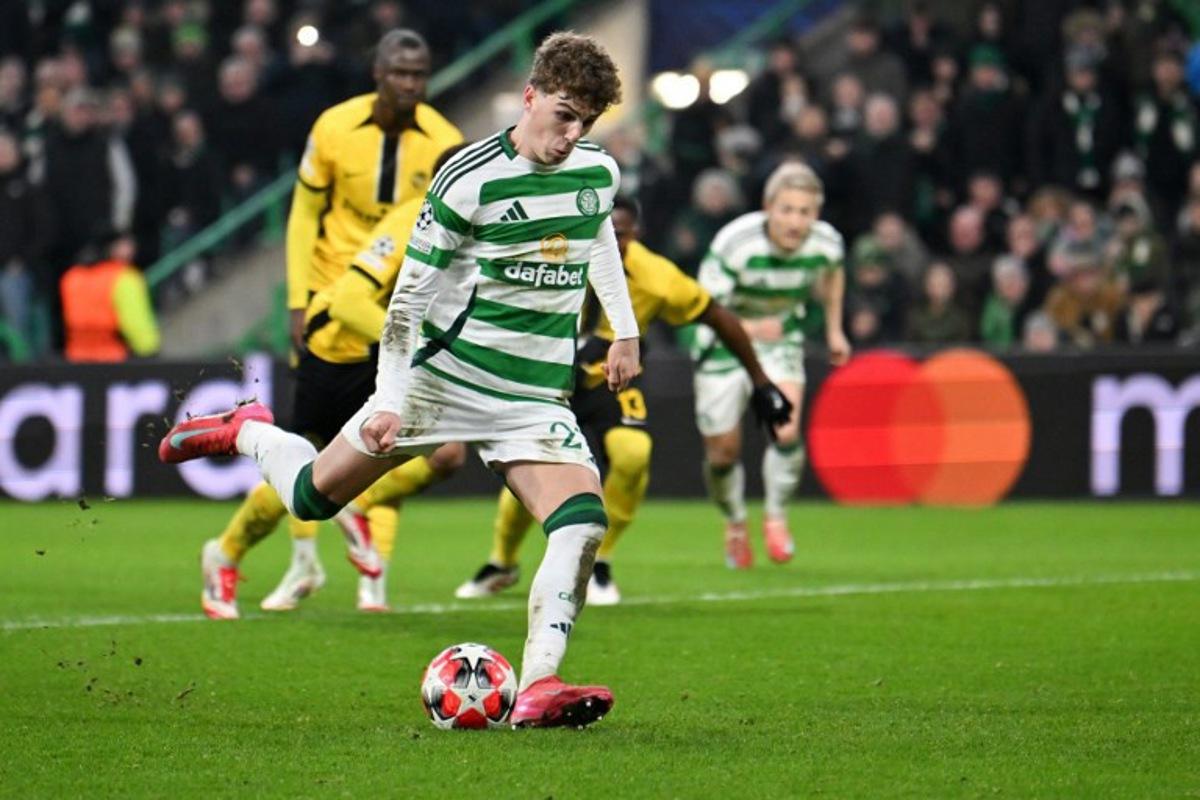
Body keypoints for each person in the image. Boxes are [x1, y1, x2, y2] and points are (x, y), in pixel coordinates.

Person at [161, 31, 636, 729]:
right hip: (439, 382)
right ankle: (249, 431)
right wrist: (390, 398)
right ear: (530, 95)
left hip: (532, 396)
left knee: (581, 523)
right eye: (563, 115)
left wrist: (623, 327)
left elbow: (597, 238)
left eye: (586, 123)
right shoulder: (466, 178)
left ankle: (538, 683)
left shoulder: (597, 172)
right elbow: (407, 304)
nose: (571, 136)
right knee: (309, 499)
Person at [199, 29, 462, 621]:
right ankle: (253, 551)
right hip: (335, 310)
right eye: (399, 73)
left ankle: (350, 544)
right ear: (377, 72)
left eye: (419, 76)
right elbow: (305, 215)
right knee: (314, 451)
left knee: (423, 451)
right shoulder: (333, 128)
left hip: (393, 309)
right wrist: (299, 297)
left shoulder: (445, 143)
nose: (410, 85)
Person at [446, 195, 791, 604]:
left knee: (632, 453)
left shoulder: (656, 276)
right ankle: (502, 562)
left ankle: (600, 563)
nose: (603, 239)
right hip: (549, 377)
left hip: (613, 380)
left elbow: (718, 316)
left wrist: (760, 380)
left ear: (635, 235)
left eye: (618, 234)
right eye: (595, 228)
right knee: (533, 467)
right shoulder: (549, 250)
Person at [692, 161, 850, 570]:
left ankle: (776, 518)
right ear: (768, 207)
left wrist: (835, 330)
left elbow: (833, 276)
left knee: (786, 428)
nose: (796, 221)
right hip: (724, 342)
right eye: (788, 210)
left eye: (805, 212)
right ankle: (735, 523)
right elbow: (704, 308)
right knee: (723, 451)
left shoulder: (827, 243)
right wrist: (751, 326)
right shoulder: (735, 243)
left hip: (779, 342)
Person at [60, 233, 159, 362]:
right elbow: (135, 322)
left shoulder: (72, 277)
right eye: (126, 245)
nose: (132, 250)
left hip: (76, 357)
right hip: (114, 358)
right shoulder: (125, 277)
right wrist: (150, 351)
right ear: (112, 248)